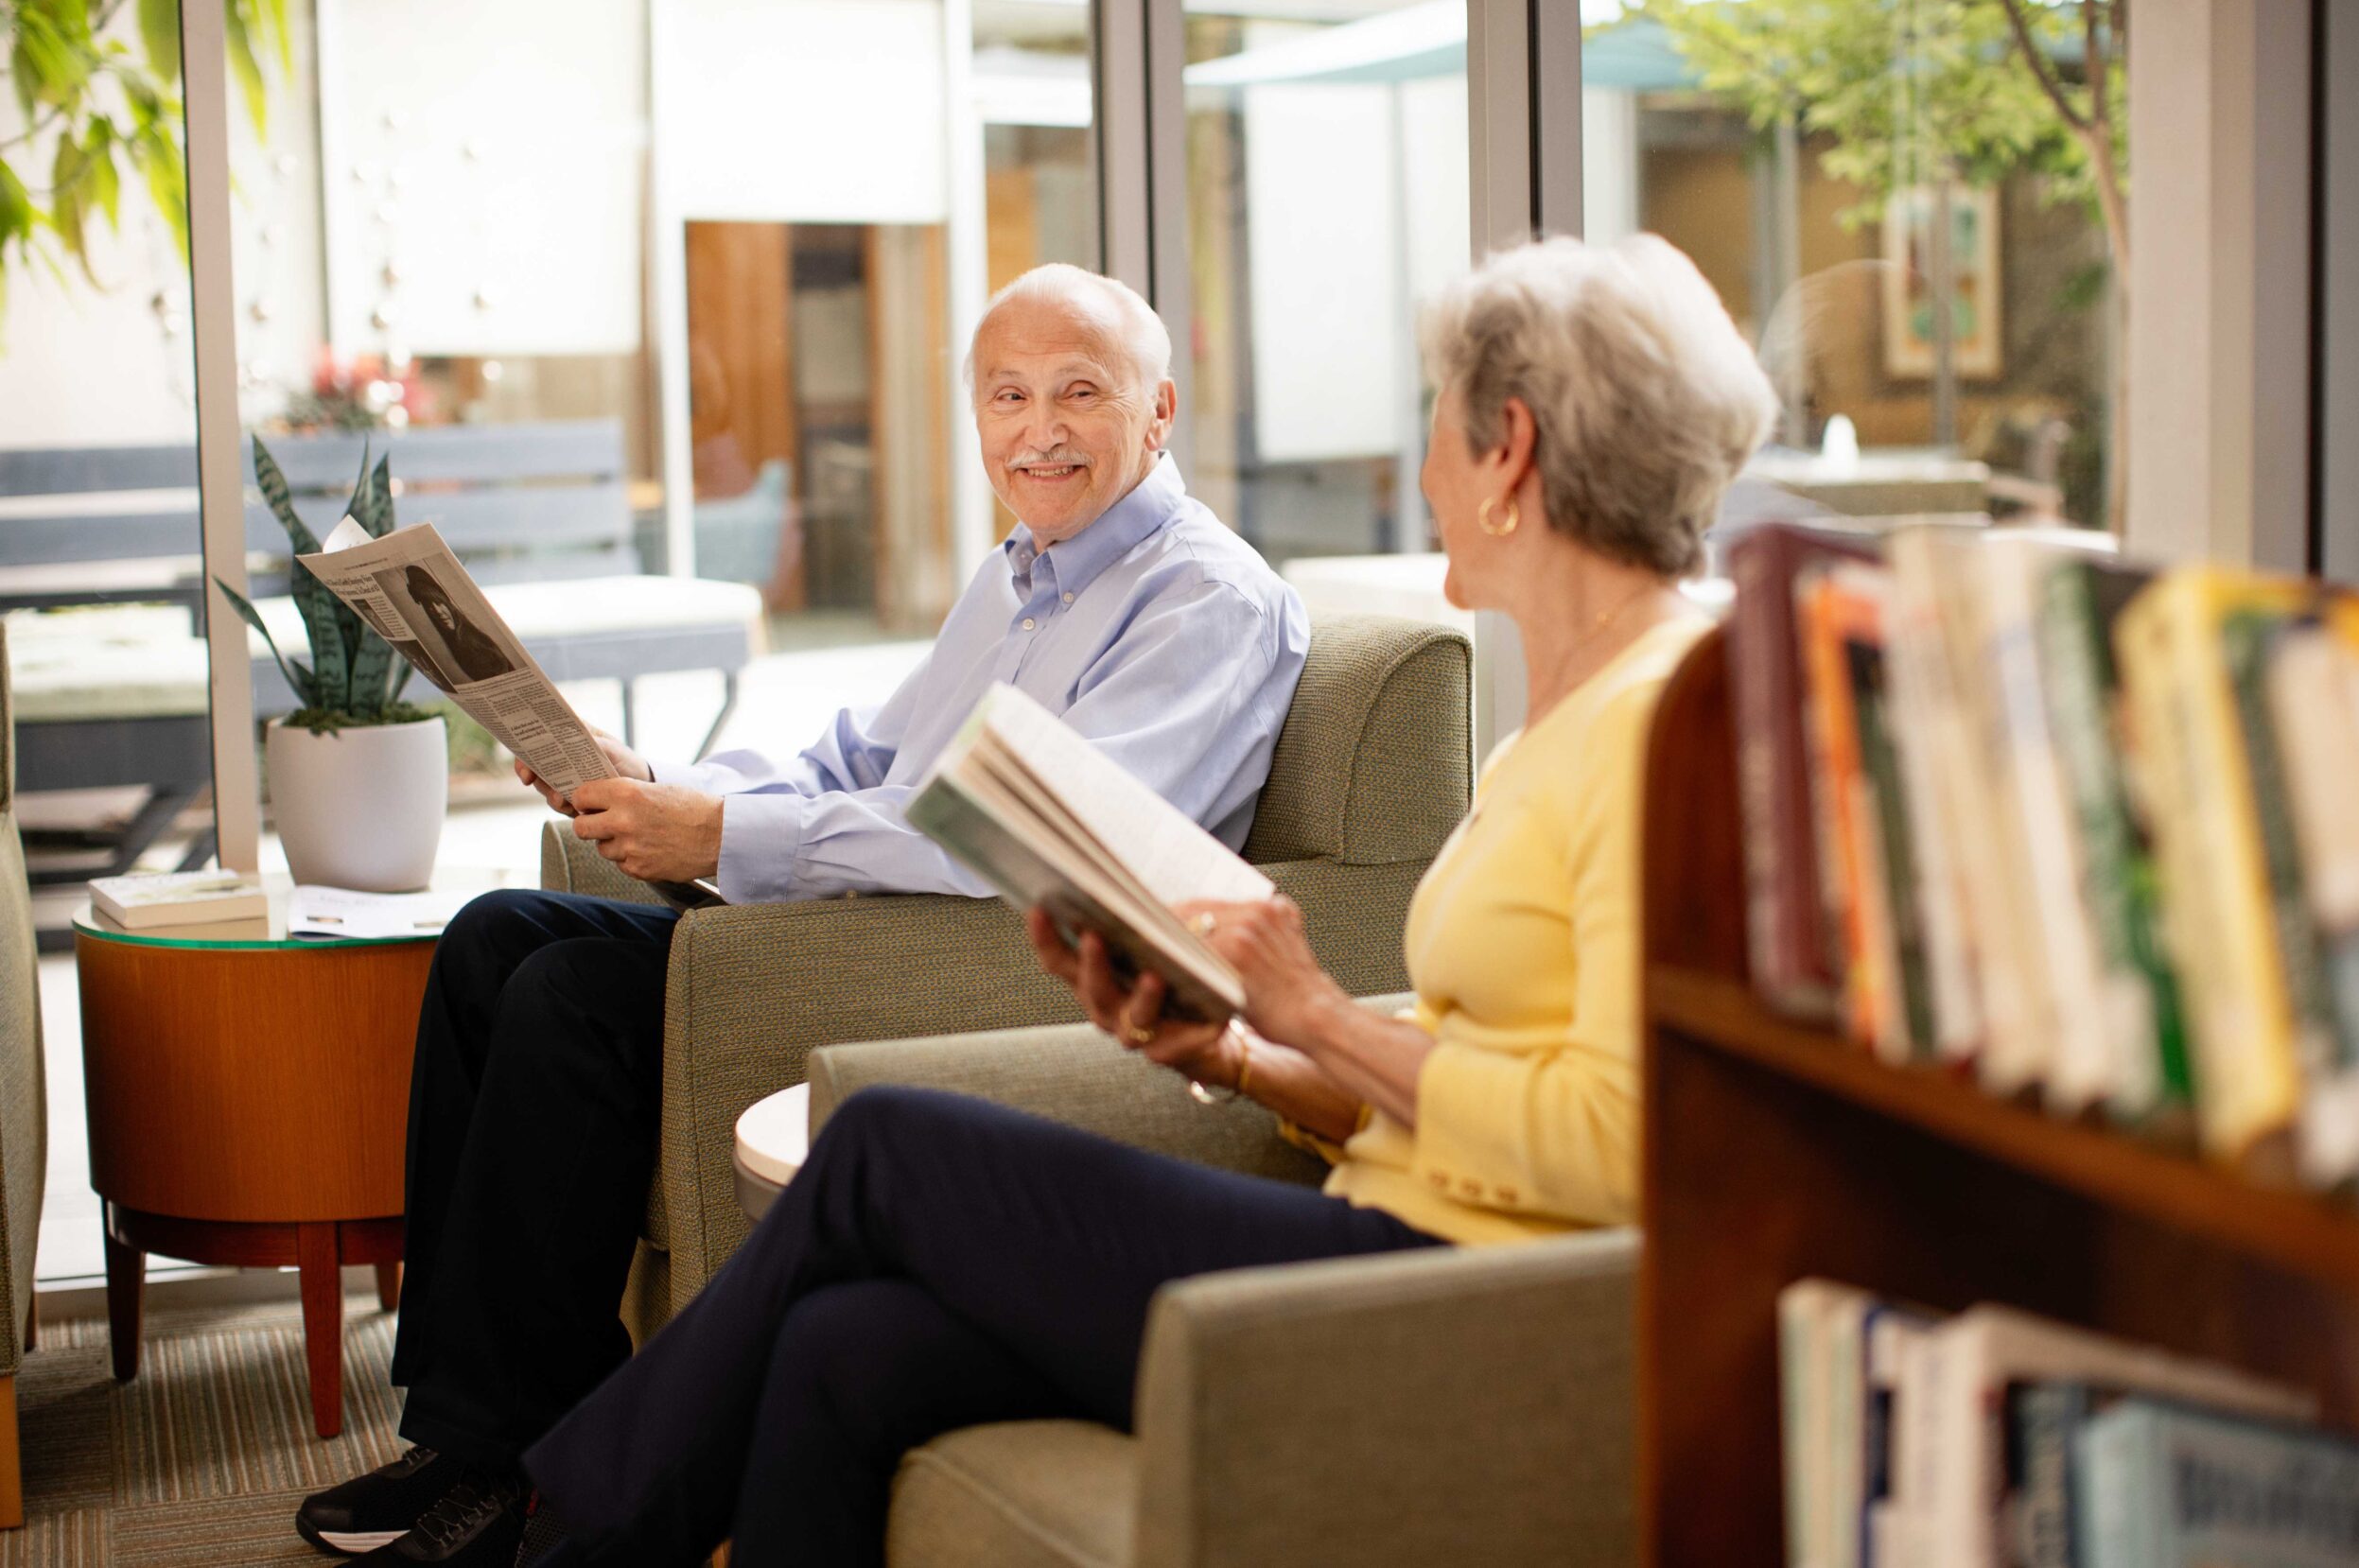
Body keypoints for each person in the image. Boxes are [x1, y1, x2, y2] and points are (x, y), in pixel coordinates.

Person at [507, 235, 1782, 1568]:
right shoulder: (1566, 722)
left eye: (1435, 433)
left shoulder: (1663, 729)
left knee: (886, 1144)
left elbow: (1630, 1143)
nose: (1422, 476)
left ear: (1507, 448)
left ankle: (568, 1541)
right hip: (1395, 1209)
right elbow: (1494, 1069)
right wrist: (1239, 1050)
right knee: (847, 1348)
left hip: (1452, 1284)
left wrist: (1318, 1015)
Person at [295, 264, 1310, 1565]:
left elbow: (1036, 844)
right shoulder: (1019, 576)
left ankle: (504, 1466)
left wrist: (728, 838)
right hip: (874, 921)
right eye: (1007, 395)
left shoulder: (1204, 599)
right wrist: (667, 784)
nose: (1037, 428)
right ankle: (468, 1431)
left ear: (1159, 410)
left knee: (570, 998)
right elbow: (862, 763)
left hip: (991, 962)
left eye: (1079, 392)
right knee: (499, 939)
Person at [403, 565, 515, 684]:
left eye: (438, 603)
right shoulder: (455, 643)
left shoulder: (473, 640)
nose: (438, 612)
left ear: (447, 603)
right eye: (430, 607)